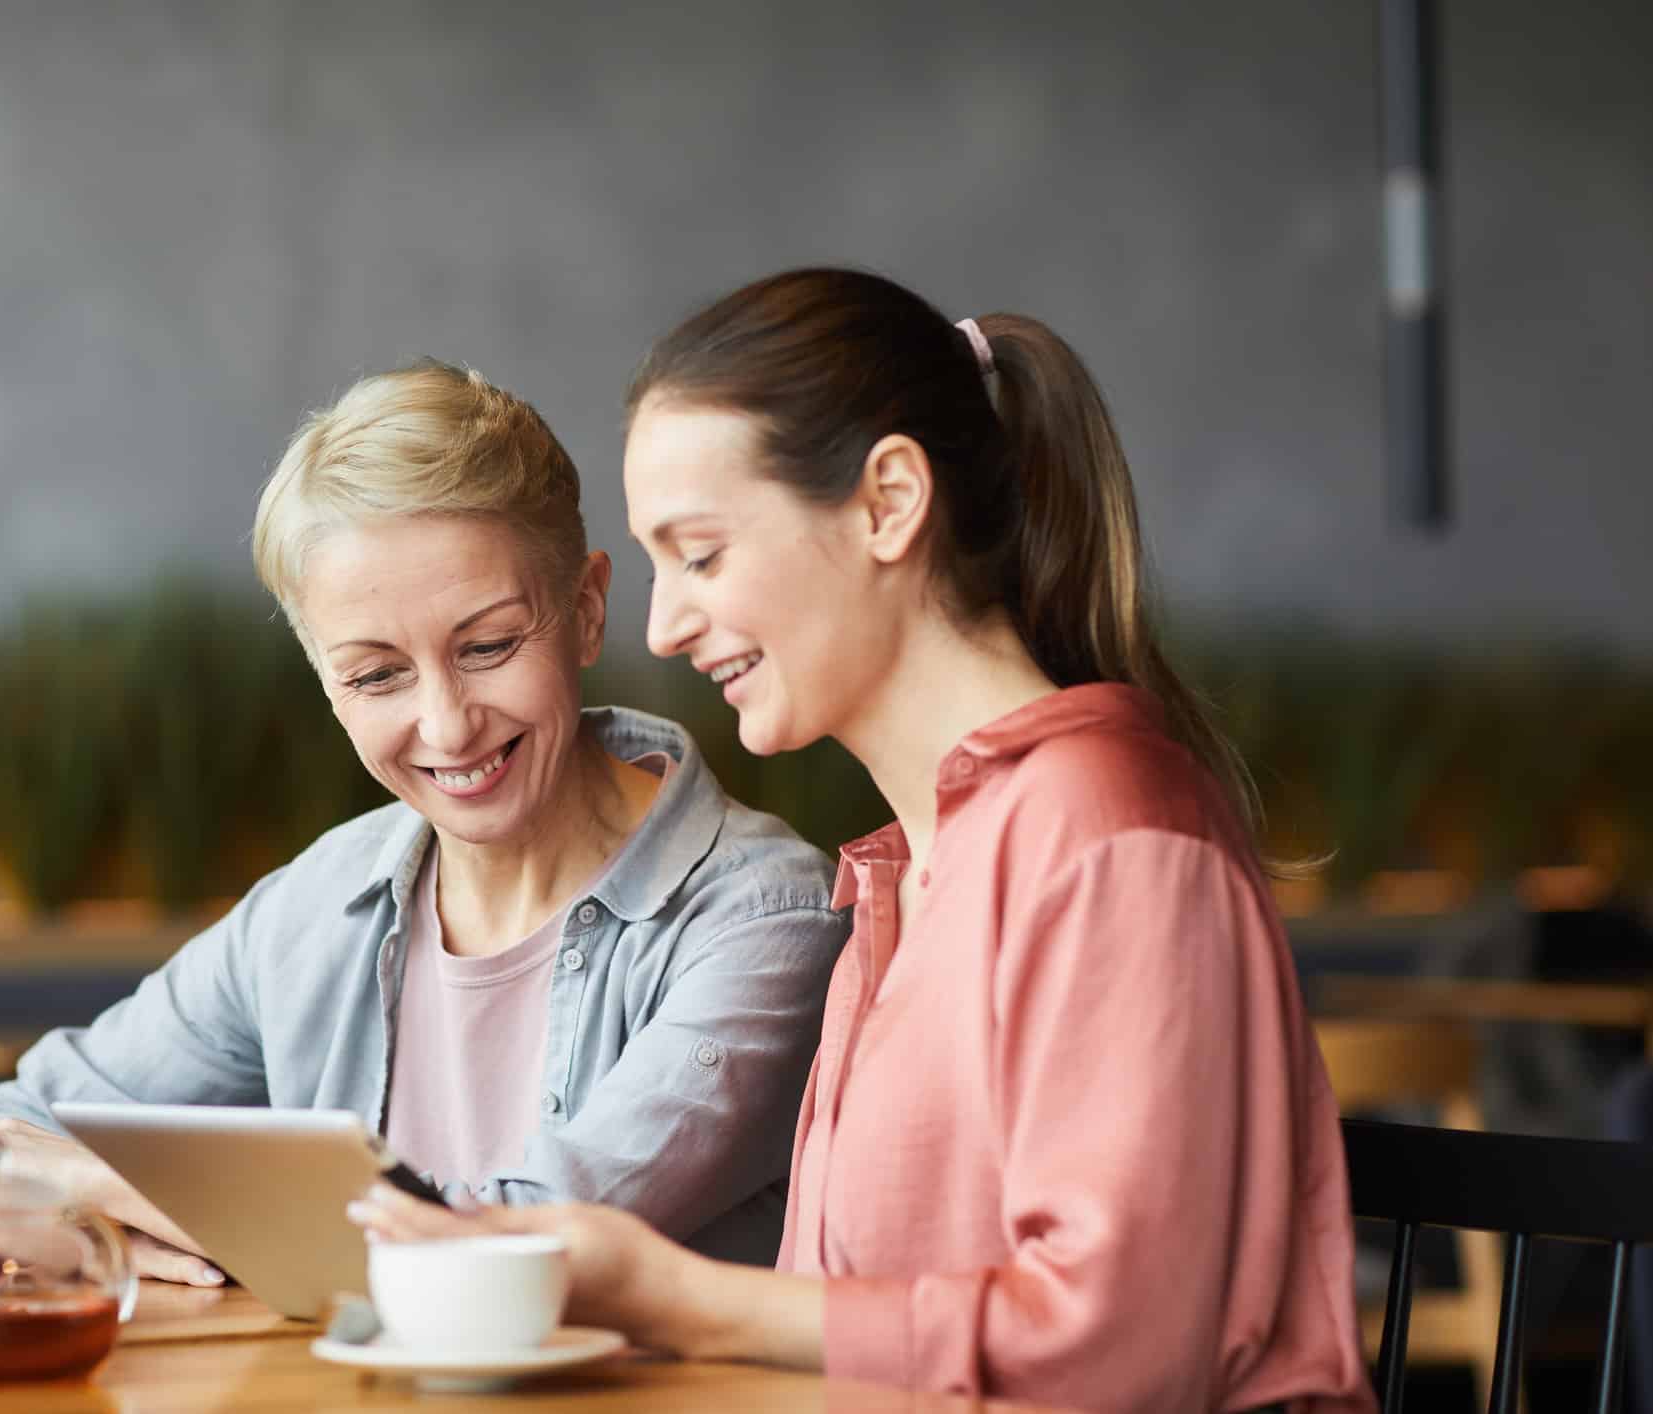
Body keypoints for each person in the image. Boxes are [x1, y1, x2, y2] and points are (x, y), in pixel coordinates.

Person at [351, 271, 1377, 1413]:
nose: (662, 624)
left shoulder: (1108, 838)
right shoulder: (899, 876)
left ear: (889, 501)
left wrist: (670, 1295)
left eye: (700, 553)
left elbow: (1122, 1351)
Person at [0, 360, 846, 1284]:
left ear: (583, 611)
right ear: (325, 684)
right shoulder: (315, 904)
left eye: (488, 646)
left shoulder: (767, 920)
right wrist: (104, 1213)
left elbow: (518, 1247)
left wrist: (121, 1197)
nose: (448, 724)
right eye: (377, 676)